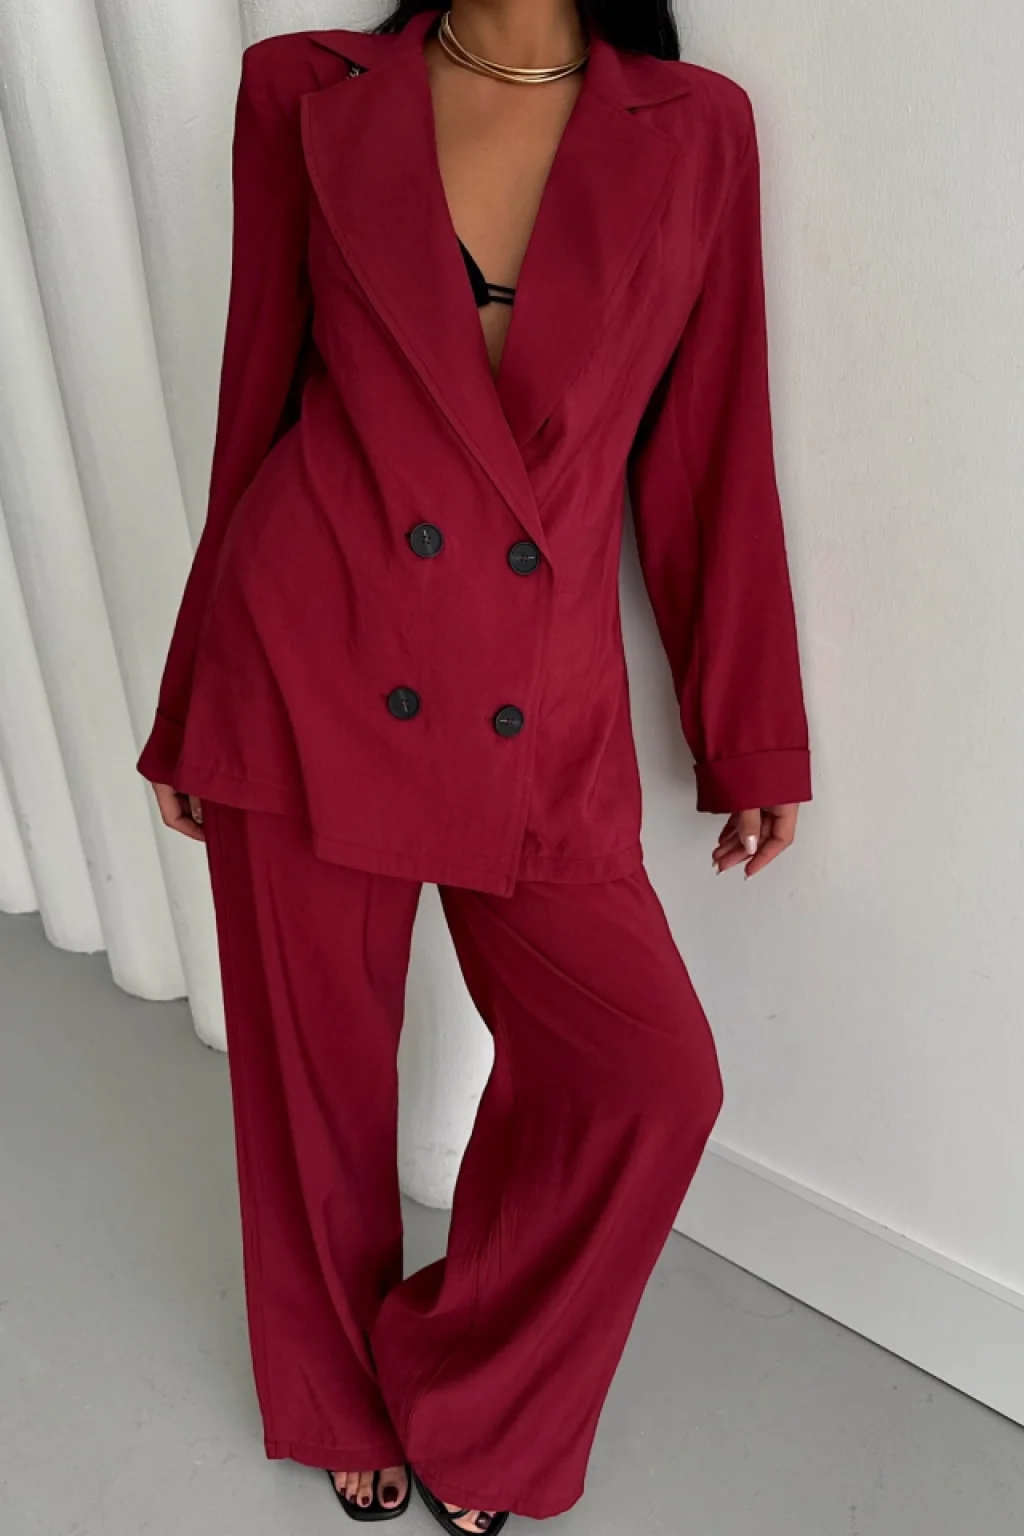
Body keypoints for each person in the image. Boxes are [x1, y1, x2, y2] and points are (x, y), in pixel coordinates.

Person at [137, 1, 812, 1529]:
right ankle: (332, 1396)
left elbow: (708, 448)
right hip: (308, 652)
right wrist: (190, 701)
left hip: (537, 698)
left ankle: (468, 1388)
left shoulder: (692, 127)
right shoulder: (307, 90)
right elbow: (254, 403)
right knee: (313, 1087)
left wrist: (748, 727)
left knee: (648, 1078)